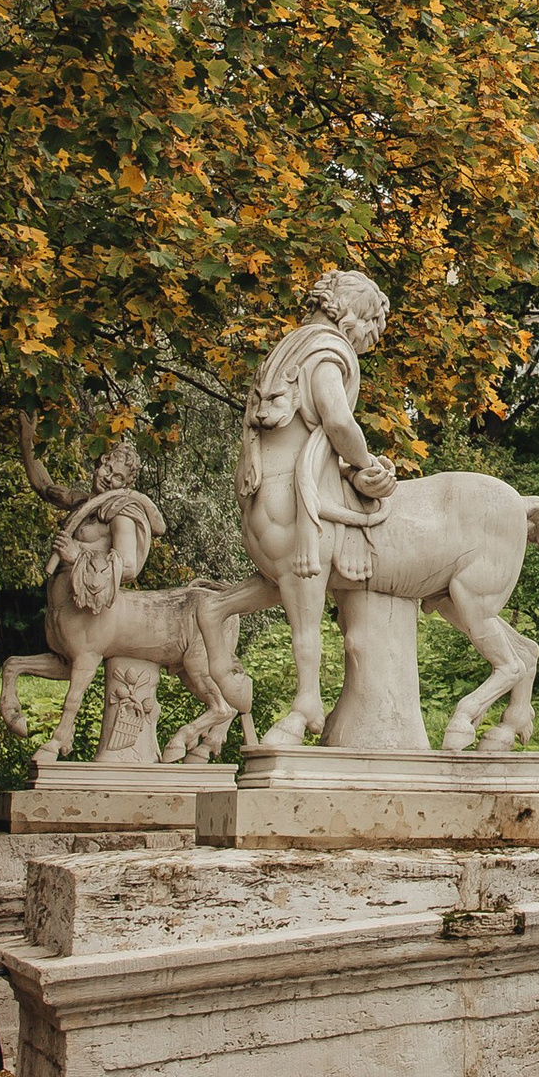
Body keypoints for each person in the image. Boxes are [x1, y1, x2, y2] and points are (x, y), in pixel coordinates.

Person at [235, 267, 399, 745]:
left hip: (263, 490)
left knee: (292, 587)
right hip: (295, 497)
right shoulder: (327, 350)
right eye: (374, 327)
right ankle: (309, 699)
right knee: (304, 593)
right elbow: (338, 420)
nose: (373, 339)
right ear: (352, 315)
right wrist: (366, 465)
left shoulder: (286, 348)